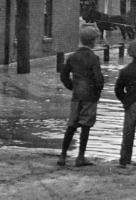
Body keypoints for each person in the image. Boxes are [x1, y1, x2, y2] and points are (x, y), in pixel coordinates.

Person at [58, 25, 104, 167]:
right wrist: (97, 93)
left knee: (71, 125)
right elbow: (99, 80)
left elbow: (64, 75)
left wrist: (72, 86)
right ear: (93, 41)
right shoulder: (94, 58)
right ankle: (80, 157)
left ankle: (63, 155)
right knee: (85, 126)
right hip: (90, 96)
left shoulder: (72, 56)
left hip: (76, 95)